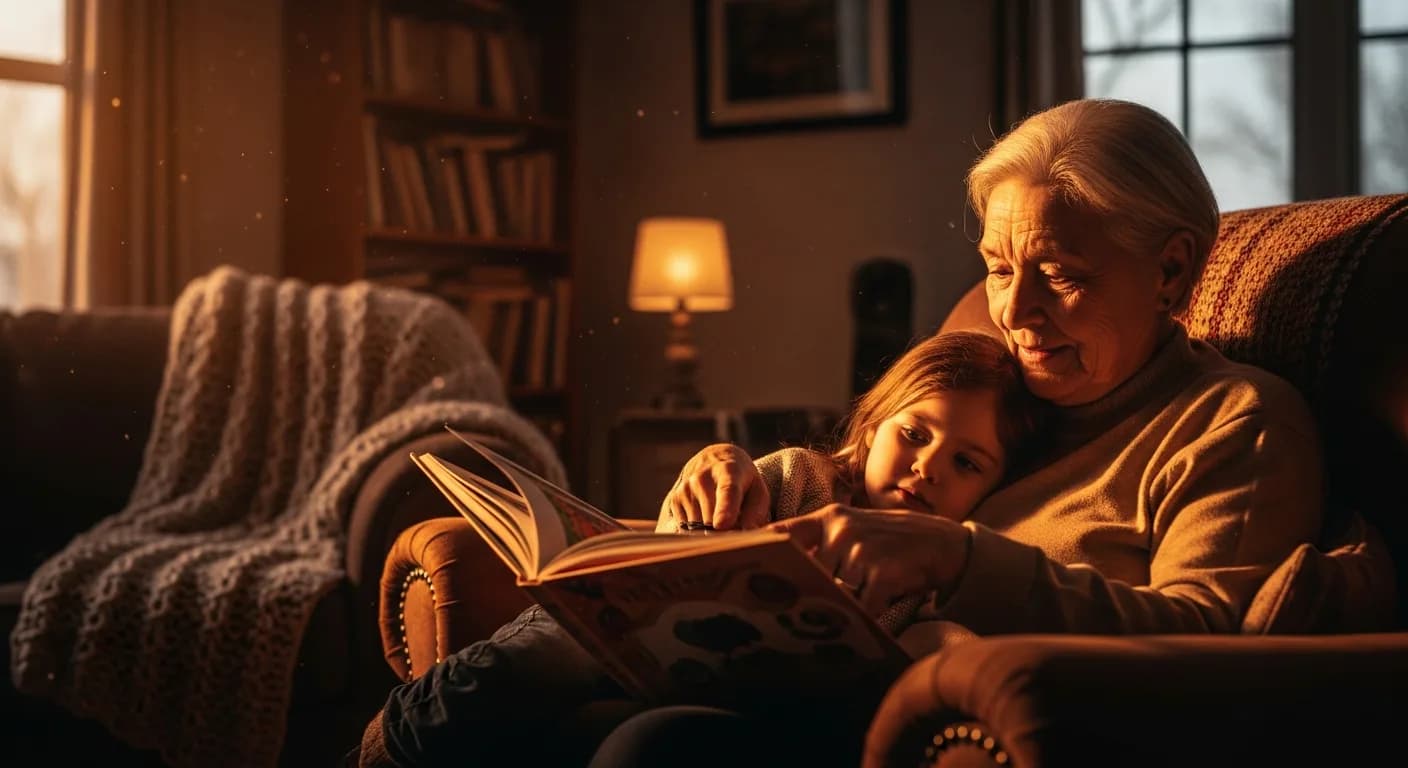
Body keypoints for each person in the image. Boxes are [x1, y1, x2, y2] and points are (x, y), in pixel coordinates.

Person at [593, 97, 1326, 766]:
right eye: (999, 270)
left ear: (1170, 270)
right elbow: (847, 471)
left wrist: (959, 559)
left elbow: (1207, 646)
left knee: (652, 747)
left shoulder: (1235, 422)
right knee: (576, 711)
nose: (1013, 313)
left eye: (1059, 275)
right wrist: (726, 467)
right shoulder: (1001, 385)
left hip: (944, 727)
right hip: (816, 690)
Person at [356, 330, 1045, 768]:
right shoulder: (799, 480)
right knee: (544, 650)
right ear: (871, 427)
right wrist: (700, 500)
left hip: (750, 710)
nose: (927, 467)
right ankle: (388, 746)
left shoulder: (933, 581)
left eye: (966, 463)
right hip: (643, 651)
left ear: (994, 488)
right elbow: (683, 537)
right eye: (915, 435)